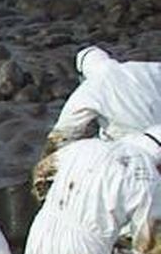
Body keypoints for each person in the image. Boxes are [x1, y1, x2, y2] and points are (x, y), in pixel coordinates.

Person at [21, 128, 161, 254]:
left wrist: (48, 201)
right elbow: (149, 244)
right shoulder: (147, 175)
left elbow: (41, 172)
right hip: (84, 249)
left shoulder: (86, 146)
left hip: (41, 231)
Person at [37, 45, 161, 173]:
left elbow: (65, 133)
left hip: (135, 149)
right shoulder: (146, 68)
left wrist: (47, 163)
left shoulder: (88, 89)